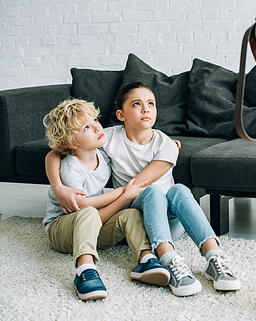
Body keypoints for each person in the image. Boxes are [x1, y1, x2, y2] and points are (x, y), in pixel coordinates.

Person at [46, 82, 241, 297]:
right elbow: (57, 152)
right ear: (121, 115)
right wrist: (58, 186)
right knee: (152, 191)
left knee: (180, 190)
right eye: (137, 104)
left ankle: (214, 257)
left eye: (151, 104)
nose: (146, 109)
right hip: (136, 214)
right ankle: (167, 259)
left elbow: (137, 185)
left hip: (168, 222)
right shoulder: (108, 138)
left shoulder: (166, 145)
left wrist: (169, 148)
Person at [43, 99, 170, 301]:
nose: (96, 127)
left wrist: (168, 146)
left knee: (131, 214)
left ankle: (146, 258)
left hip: (91, 226)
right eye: (86, 127)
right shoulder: (70, 169)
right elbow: (86, 211)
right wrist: (124, 194)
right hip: (63, 231)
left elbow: (134, 151)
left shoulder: (102, 155)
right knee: (90, 213)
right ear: (71, 142)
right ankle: (85, 270)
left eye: (94, 120)